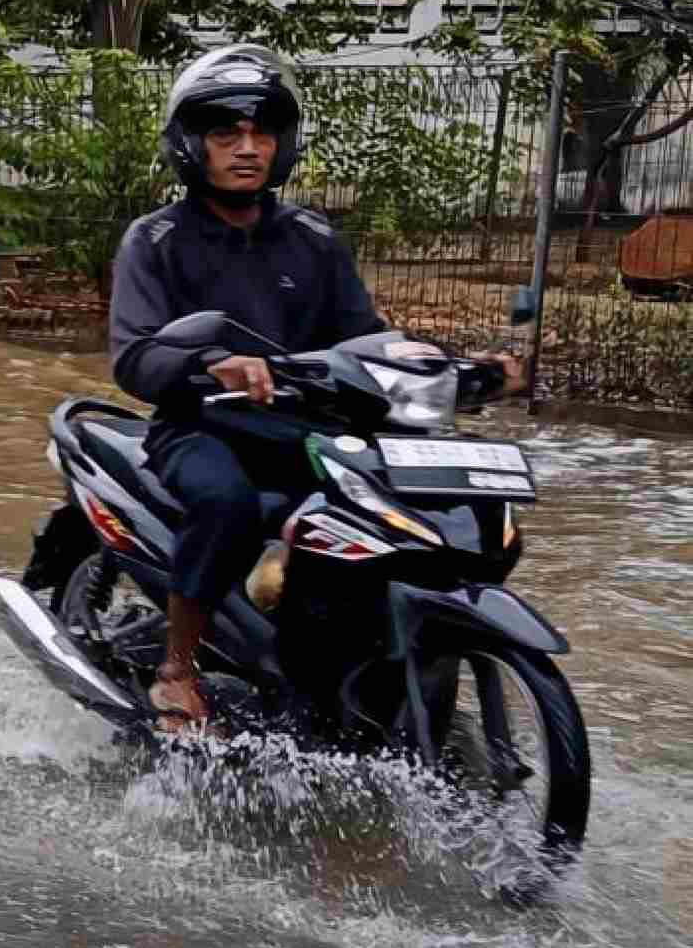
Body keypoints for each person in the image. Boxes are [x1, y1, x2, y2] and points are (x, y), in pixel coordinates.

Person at [106, 44, 498, 733]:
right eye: (226, 134)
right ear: (191, 145)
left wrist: (457, 368)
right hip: (199, 427)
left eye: (261, 133)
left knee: (400, 512)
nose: (247, 148)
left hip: (307, 430)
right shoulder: (156, 239)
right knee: (225, 502)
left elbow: (365, 337)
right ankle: (177, 670)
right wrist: (214, 363)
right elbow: (135, 355)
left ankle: (350, 660)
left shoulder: (313, 238)